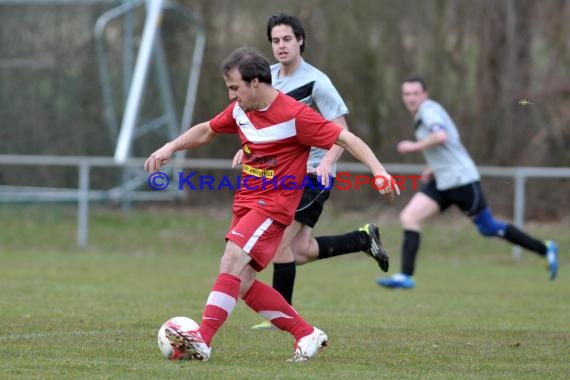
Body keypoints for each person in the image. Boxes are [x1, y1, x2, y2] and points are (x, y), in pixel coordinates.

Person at [144, 47, 399, 361]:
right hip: (246, 203)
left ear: (254, 83)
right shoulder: (240, 111)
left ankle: (203, 340)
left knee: (231, 259)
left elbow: (346, 138)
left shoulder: (295, 115)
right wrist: (171, 147)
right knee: (244, 282)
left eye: (234, 87)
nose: (230, 95)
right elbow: (208, 130)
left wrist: (379, 171)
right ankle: (307, 334)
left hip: (274, 204)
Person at [232, 14, 390, 331]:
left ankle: (282, 317)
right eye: (275, 41)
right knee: (300, 250)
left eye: (287, 39)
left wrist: (327, 163)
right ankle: (361, 239)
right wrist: (249, 146)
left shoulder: (318, 82)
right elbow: (259, 121)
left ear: (300, 40)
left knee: (278, 245)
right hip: (280, 174)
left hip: (310, 175)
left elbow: (341, 130)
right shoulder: (268, 77)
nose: (281, 46)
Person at [377, 76, 558, 289]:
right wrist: (433, 169)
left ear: (424, 94)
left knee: (488, 227)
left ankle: (545, 249)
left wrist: (413, 146)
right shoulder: (423, 114)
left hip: (462, 180)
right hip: (443, 179)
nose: (411, 98)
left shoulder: (428, 110)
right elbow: (447, 145)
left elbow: (441, 136)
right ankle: (405, 276)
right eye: (407, 94)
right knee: (409, 216)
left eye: (416, 93)